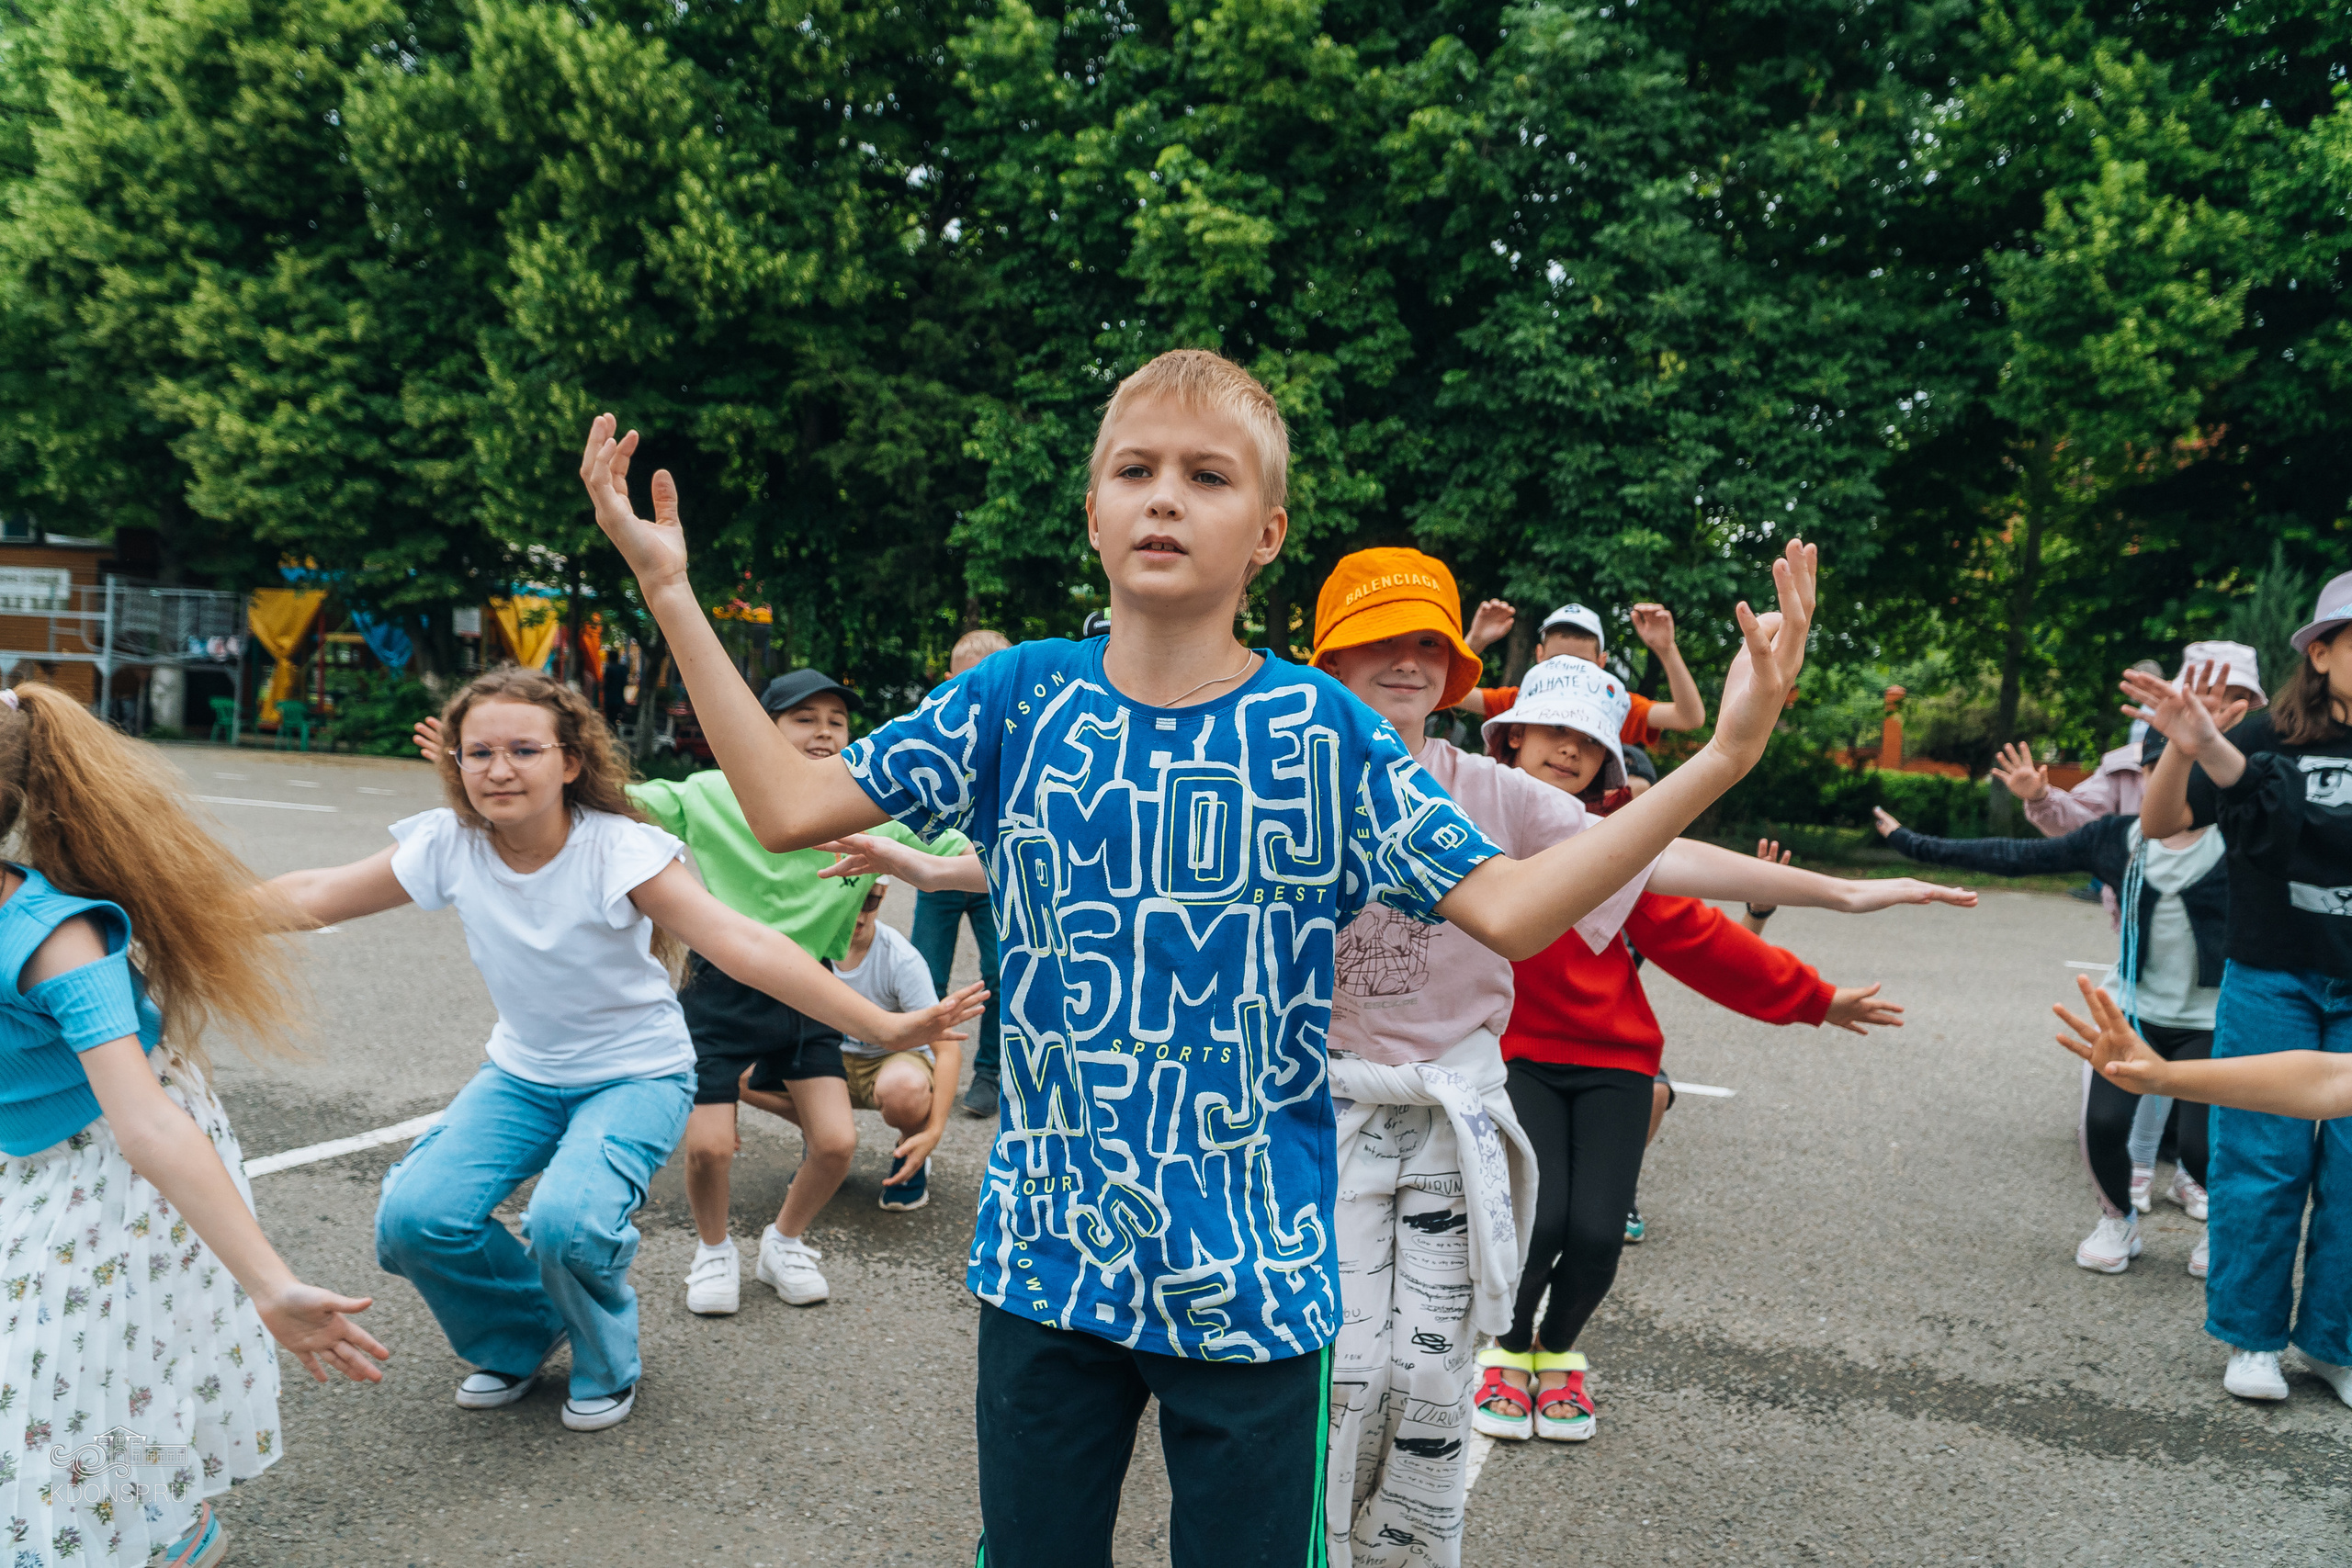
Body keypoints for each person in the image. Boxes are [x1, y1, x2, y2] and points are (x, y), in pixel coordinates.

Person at [576, 349, 1823, 1567]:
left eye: (1207, 476)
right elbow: (793, 805)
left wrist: (1719, 760)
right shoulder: (1017, 696)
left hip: (1261, 1271)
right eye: (1136, 468)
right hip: (1046, 1260)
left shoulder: (1323, 728)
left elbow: (1510, 906)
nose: (1165, 494)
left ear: (1267, 531)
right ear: (1094, 513)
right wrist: (674, 594)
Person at [1299, 549, 1969, 1564]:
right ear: (1324, 660)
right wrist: (959, 866)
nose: (1401, 660)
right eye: (1371, 639)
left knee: (1434, 1376)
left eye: (1424, 641)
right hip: (1320, 1113)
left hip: (1449, 1115)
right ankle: (1316, 1546)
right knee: (1340, 1377)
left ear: (1451, 670)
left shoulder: (1488, 791)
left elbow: (1650, 860)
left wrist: (1835, 890)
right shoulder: (1274, 768)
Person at [274, 667, 978, 1433]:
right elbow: (313, 893)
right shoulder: (449, 843)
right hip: (522, 1073)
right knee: (415, 1216)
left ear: (570, 760)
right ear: (455, 763)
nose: (500, 768)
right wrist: (172, 913)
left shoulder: (617, 848)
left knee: (566, 1222)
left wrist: (884, 1027)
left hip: (637, 1073)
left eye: (522, 749)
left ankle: (605, 1360)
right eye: (479, 753)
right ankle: (521, 1331)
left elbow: (743, 942)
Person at [1471, 657, 1939, 1449]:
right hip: (1515, 1054)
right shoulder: (1474, 822)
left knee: (1595, 1230)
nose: (1567, 749)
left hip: (1616, 1059)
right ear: (1512, 736)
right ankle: (1507, 1348)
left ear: (1607, 760)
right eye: (1552, 729)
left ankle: (1558, 1352)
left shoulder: (1618, 847)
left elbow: (1703, 940)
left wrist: (1818, 999)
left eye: (1586, 740)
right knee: (1537, 1219)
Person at [415, 666, 985, 1315]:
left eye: (837, 721)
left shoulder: (869, 814)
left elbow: (982, 864)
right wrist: (501, 766)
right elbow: (589, 795)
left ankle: (783, 1240)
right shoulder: (707, 793)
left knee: (835, 1143)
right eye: (804, 718)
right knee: (711, 1145)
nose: (825, 731)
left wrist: (919, 864)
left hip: (810, 992)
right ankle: (713, 1248)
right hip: (719, 987)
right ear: (762, 732)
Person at [0, 684, 390, 1568]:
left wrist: (270, 1283)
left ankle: (164, 1535)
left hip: (115, 1173)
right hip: (28, 1165)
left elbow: (149, 1125)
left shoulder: (52, 938)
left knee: (60, 1378)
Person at [2130, 581, 2352, 1408]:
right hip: (2273, 975)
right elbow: (2157, 823)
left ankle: (2335, 1341)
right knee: (2262, 1158)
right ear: (2319, 653)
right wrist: (2185, 747)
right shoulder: (2266, 736)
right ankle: (2253, 1336)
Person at [1871, 797, 2224, 1275]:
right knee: (2102, 1124)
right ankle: (2117, 1221)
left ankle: (2224, 1228)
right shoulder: (2116, 837)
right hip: (2130, 1013)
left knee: (2203, 1149)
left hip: (2213, 1019)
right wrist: (1908, 842)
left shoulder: (2242, 836)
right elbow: (2015, 855)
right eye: (2156, 766)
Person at [740, 878, 961, 1214]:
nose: (858, 916)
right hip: (826, 1058)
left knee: (905, 1088)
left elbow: (948, 1049)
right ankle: (824, 1142)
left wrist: (933, 1133)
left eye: (870, 902)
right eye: (849, 902)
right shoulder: (807, 947)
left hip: (889, 1061)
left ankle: (910, 1152)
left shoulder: (900, 959)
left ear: (884, 895)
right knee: (739, 1073)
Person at [911, 629, 1009, 1119]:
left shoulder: (1021, 734)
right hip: (940, 871)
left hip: (992, 875)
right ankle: (923, 1063)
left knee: (998, 972)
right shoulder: (934, 733)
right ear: (948, 682)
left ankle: (988, 1072)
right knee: (925, 974)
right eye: (966, 683)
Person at [1454, 598, 1706, 750]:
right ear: (1539, 656)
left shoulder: (1614, 706)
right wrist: (1475, 641)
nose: (1569, 671)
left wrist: (1666, 650)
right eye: (1558, 660)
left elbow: (1689, 718)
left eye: (1580, 662)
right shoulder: (1519, 702)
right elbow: (1449, 692)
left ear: (1601, 663)